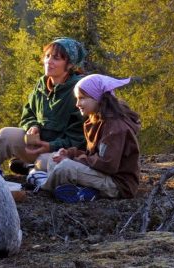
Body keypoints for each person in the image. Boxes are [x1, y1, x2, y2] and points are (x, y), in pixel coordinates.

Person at [35, 74, 141, 203]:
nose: (78, 104)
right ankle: (84, 192)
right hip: (102, 175)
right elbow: (94, 155)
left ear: (98, 98)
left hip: (117, 184)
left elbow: (108, 164)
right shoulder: (96, 120)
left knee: (65, 168)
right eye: (77, 99)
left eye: (82, 98)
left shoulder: (115, 128)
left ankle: (42, 185)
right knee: (54, 159)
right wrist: (70, 153)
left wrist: (74, 160)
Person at [0, 37, 87, 174]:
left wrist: (50, 146)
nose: (49, 62)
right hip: (37, 145)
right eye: (47, 56)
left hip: (62, 153)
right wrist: (33, 126)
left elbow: (78, 139)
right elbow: (28, 113)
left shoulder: (78, 90)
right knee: (4, 135)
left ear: (70, 65)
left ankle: (31, 168)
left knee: (46, 162)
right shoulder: (41, 85)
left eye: (56, 58)